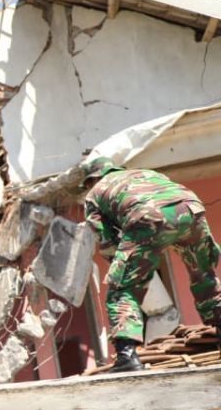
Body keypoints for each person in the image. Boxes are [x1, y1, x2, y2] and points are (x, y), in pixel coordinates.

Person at [82, 156, 221, 372]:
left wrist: (127, 268)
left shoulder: (95, 193)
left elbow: (106, 240)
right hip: (192, 208)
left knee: (121, 288)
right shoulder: (147, 173)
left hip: (148, 216)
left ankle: (127, 357)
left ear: (91, 179)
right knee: (204, 277)